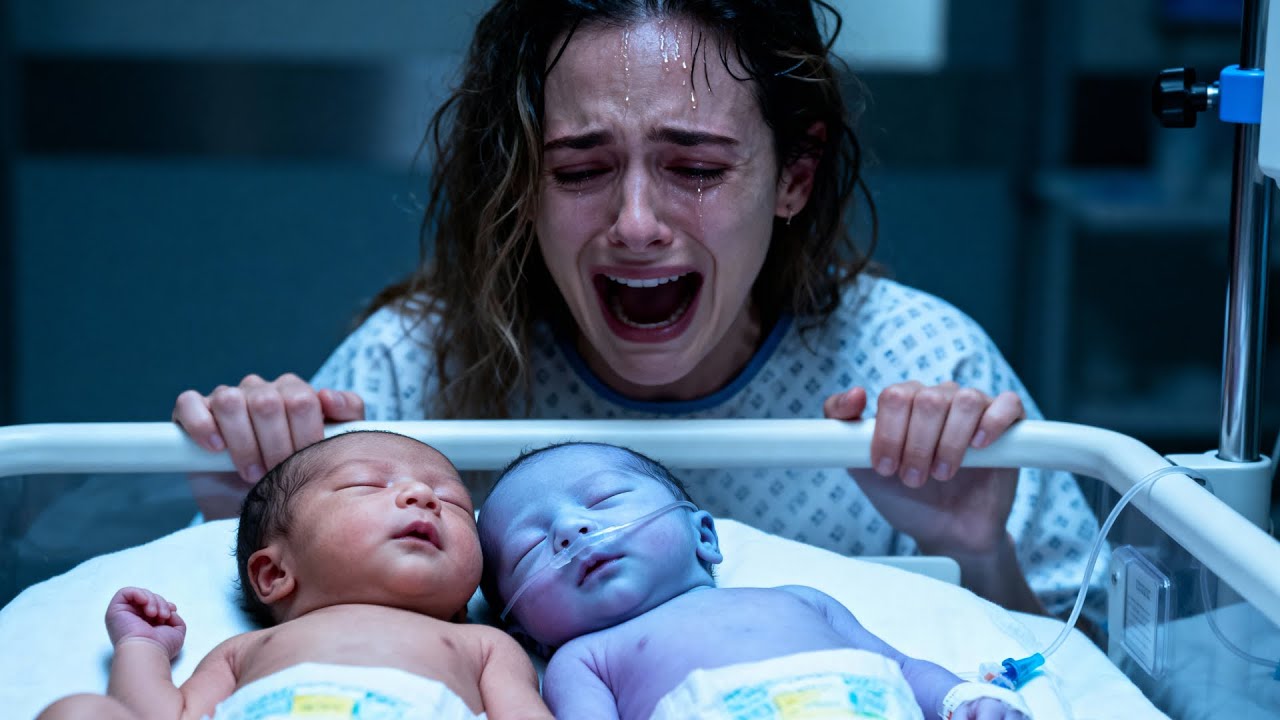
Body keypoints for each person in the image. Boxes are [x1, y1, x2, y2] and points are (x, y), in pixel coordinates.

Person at [172, 0, 1103, 620]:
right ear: (523, 187)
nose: (635, 224)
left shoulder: (915, 366)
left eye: (695, 169)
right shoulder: (414, 373)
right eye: (580, 171)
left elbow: (1071, 673)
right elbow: (245, 645)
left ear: (795, 177)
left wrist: (975, 551)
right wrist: (233, 512)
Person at [477, 441, 1032, 720]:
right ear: (528, 635)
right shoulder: (583, 661)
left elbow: (906, 670)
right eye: (529, 548)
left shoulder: (799, 600)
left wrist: (963, 700)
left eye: (605, 500)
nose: (572, 530)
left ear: (705, 538)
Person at [37, 431, 552, 720]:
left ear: (464, 598)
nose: (422, 497)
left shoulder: (482, 646)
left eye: (455, 504)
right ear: (275, 573)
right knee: (78, 712)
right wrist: (142, 649)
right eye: (365, 484)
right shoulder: (246, 651)